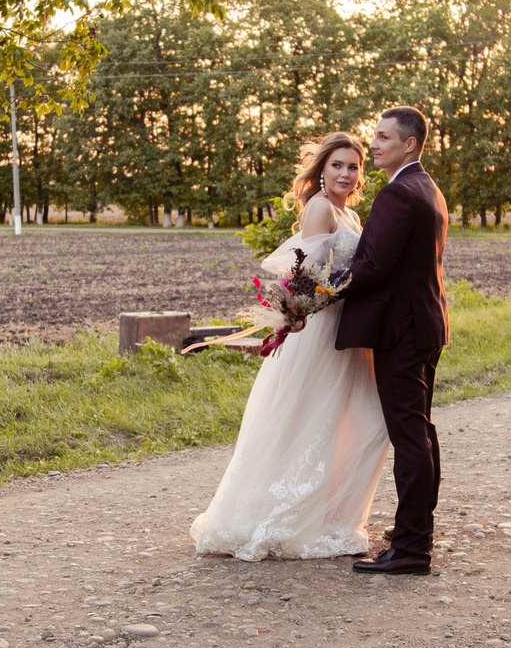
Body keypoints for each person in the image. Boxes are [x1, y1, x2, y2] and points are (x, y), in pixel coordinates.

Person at [189, 133, 390, 561]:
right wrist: (300, 307)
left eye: (353, 166)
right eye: (337, 165)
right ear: (322, 170)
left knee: (347, 421)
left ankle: (327, 515)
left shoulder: (349, 212)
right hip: (322, 329)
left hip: (346, 327)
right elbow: (307, 277)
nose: (346, 173)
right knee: (310, 417)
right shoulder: (321, 208)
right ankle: (287, 519)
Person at [336, 106, 448, 575]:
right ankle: (415, 531)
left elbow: (374, 266)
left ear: (409, 144)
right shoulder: (427, 188)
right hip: (424, 324)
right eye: (375, 136)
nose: (375, 144)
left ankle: (411, 548)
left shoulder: (399, 193)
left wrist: (320, 290)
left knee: (410, 436)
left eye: (384, 137)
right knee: (419, 431)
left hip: (403, 330)